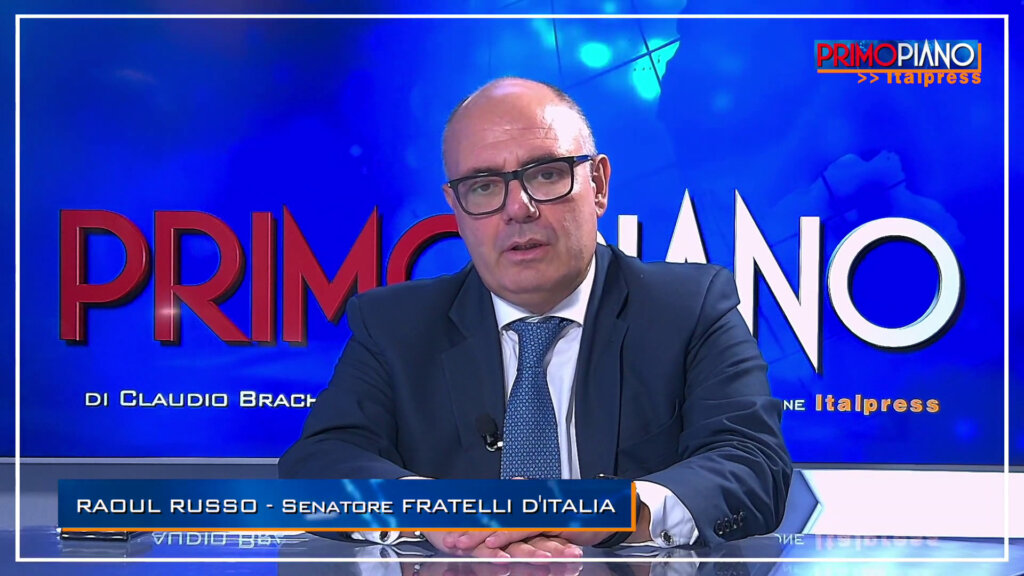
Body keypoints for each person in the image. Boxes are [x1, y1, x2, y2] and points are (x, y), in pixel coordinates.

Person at [279, 77, 792, 559]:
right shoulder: (394, 325)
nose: (518, 208)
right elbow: (319, 464)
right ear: (455, 207)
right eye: (483, 186)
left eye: (546, 174)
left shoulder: (690, 308)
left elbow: (752, 465)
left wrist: (605, 510)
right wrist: (432, 511)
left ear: (598, 184)